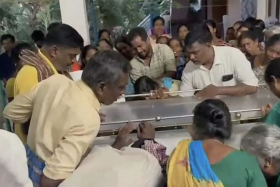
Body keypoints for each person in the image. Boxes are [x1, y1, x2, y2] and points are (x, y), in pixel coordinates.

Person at [3, 50, 131, 187]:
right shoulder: (89, 118)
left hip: (23, 167)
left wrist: (46, 114)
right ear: (101, 87)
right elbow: (49, 181)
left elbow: (11, 112)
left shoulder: (55, 81)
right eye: (121, 87)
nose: (123, 92)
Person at [140, 99, 267, 187]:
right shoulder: (246, 162)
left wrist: (147, 140)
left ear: (194, 127)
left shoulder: (180, 154)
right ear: (227, 126)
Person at [14, 23, 84, 144]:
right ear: (54, 51)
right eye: (72, 56)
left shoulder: (57, 72)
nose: (73, 61)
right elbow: (29, 124)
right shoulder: (32, 73)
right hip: (35, 155)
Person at [180, 23, 258, 98]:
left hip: (237, 110)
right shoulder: (189, 68)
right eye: (189, 53)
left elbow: (252, 86)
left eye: (195, 52)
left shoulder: (233, 55)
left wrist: (217, 90)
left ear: (208, 45)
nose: (191, 57)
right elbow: (185, 99)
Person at [262, 58, 280, 127]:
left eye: (270, 87)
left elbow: (267, 135)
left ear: (274, 81)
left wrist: (269, 116)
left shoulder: (277, 110)